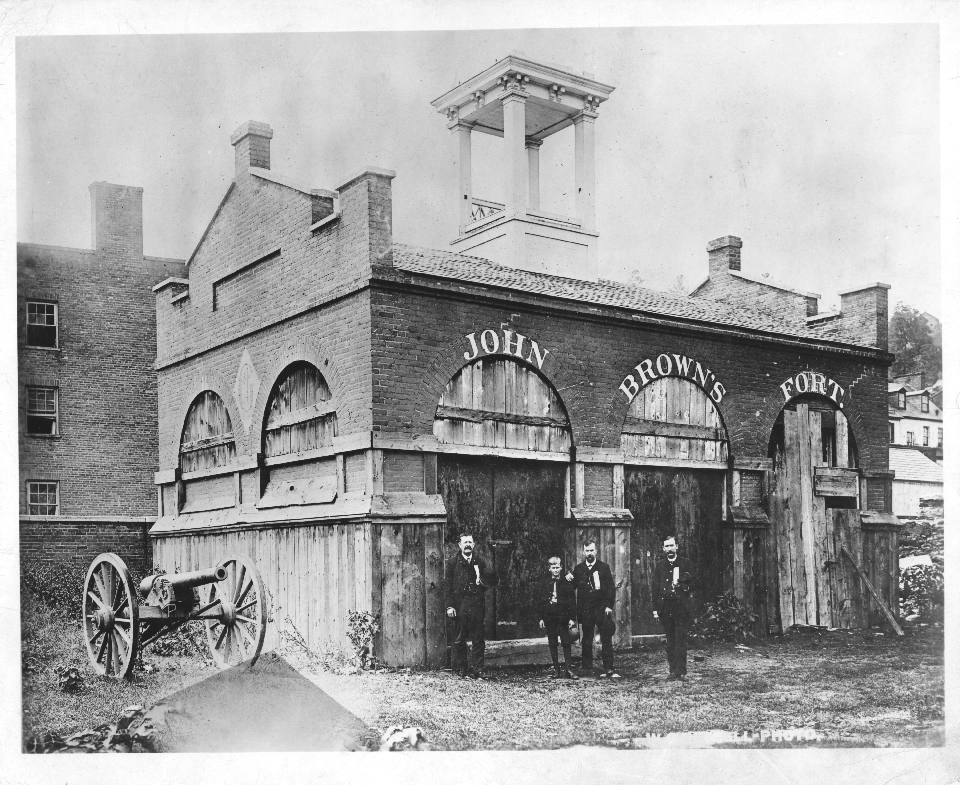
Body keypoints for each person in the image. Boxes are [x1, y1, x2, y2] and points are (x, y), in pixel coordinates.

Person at [444, 532, 495, 679]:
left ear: (473, 545)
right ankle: (461, 669)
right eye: (464, 542)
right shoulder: (453, 563)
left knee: (478, 638)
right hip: (461, 605)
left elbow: (488, 584)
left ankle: (478, 669)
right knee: (460, 638)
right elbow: (447, 586)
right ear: (460, 545)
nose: (467, 545)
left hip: (477, 604)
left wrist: (483, 583)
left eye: (469, 542)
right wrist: (450, 606)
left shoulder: (480, 562)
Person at [651, 534, 697, 681]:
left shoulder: (685, 563)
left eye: (672, 545)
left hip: (680, 607)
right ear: (663, 549)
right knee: (670, 641)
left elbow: (695, 584)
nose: (669, 549)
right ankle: (672, 671)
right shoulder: (660, 566)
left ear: (676, 546)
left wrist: (684, 586)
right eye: (667, 546)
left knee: (681, 639)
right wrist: (655, 609)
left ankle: (681, 672)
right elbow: (655, 588)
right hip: (666, 607)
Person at [573, 541, 619, 678]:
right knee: (587, 638)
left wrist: (609, 606)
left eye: (592, 550)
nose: (590, 553)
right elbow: (573, 586)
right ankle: (587, 668)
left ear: (596, 551)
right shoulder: (579, 569)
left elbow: (611, 588)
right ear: (583, 552)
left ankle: (608, 667)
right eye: (587, 550)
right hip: (586, 609)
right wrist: (568, 579)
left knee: (606, 637)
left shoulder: (603, 568)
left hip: (601, 608)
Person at [537, 556, 580, 680]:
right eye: (553, 568)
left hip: (563, 617)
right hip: (550, 617)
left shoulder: (566, 583)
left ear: (561, 568)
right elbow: (540, 602)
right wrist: (541, 618)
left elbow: (572, 601)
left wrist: (572, 618)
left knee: (566, 642)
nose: (556, 570)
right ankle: (556, 670)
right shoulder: (545, 583)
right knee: (553, 643)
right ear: (549, 569)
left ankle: (569, 669)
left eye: (558, 568)